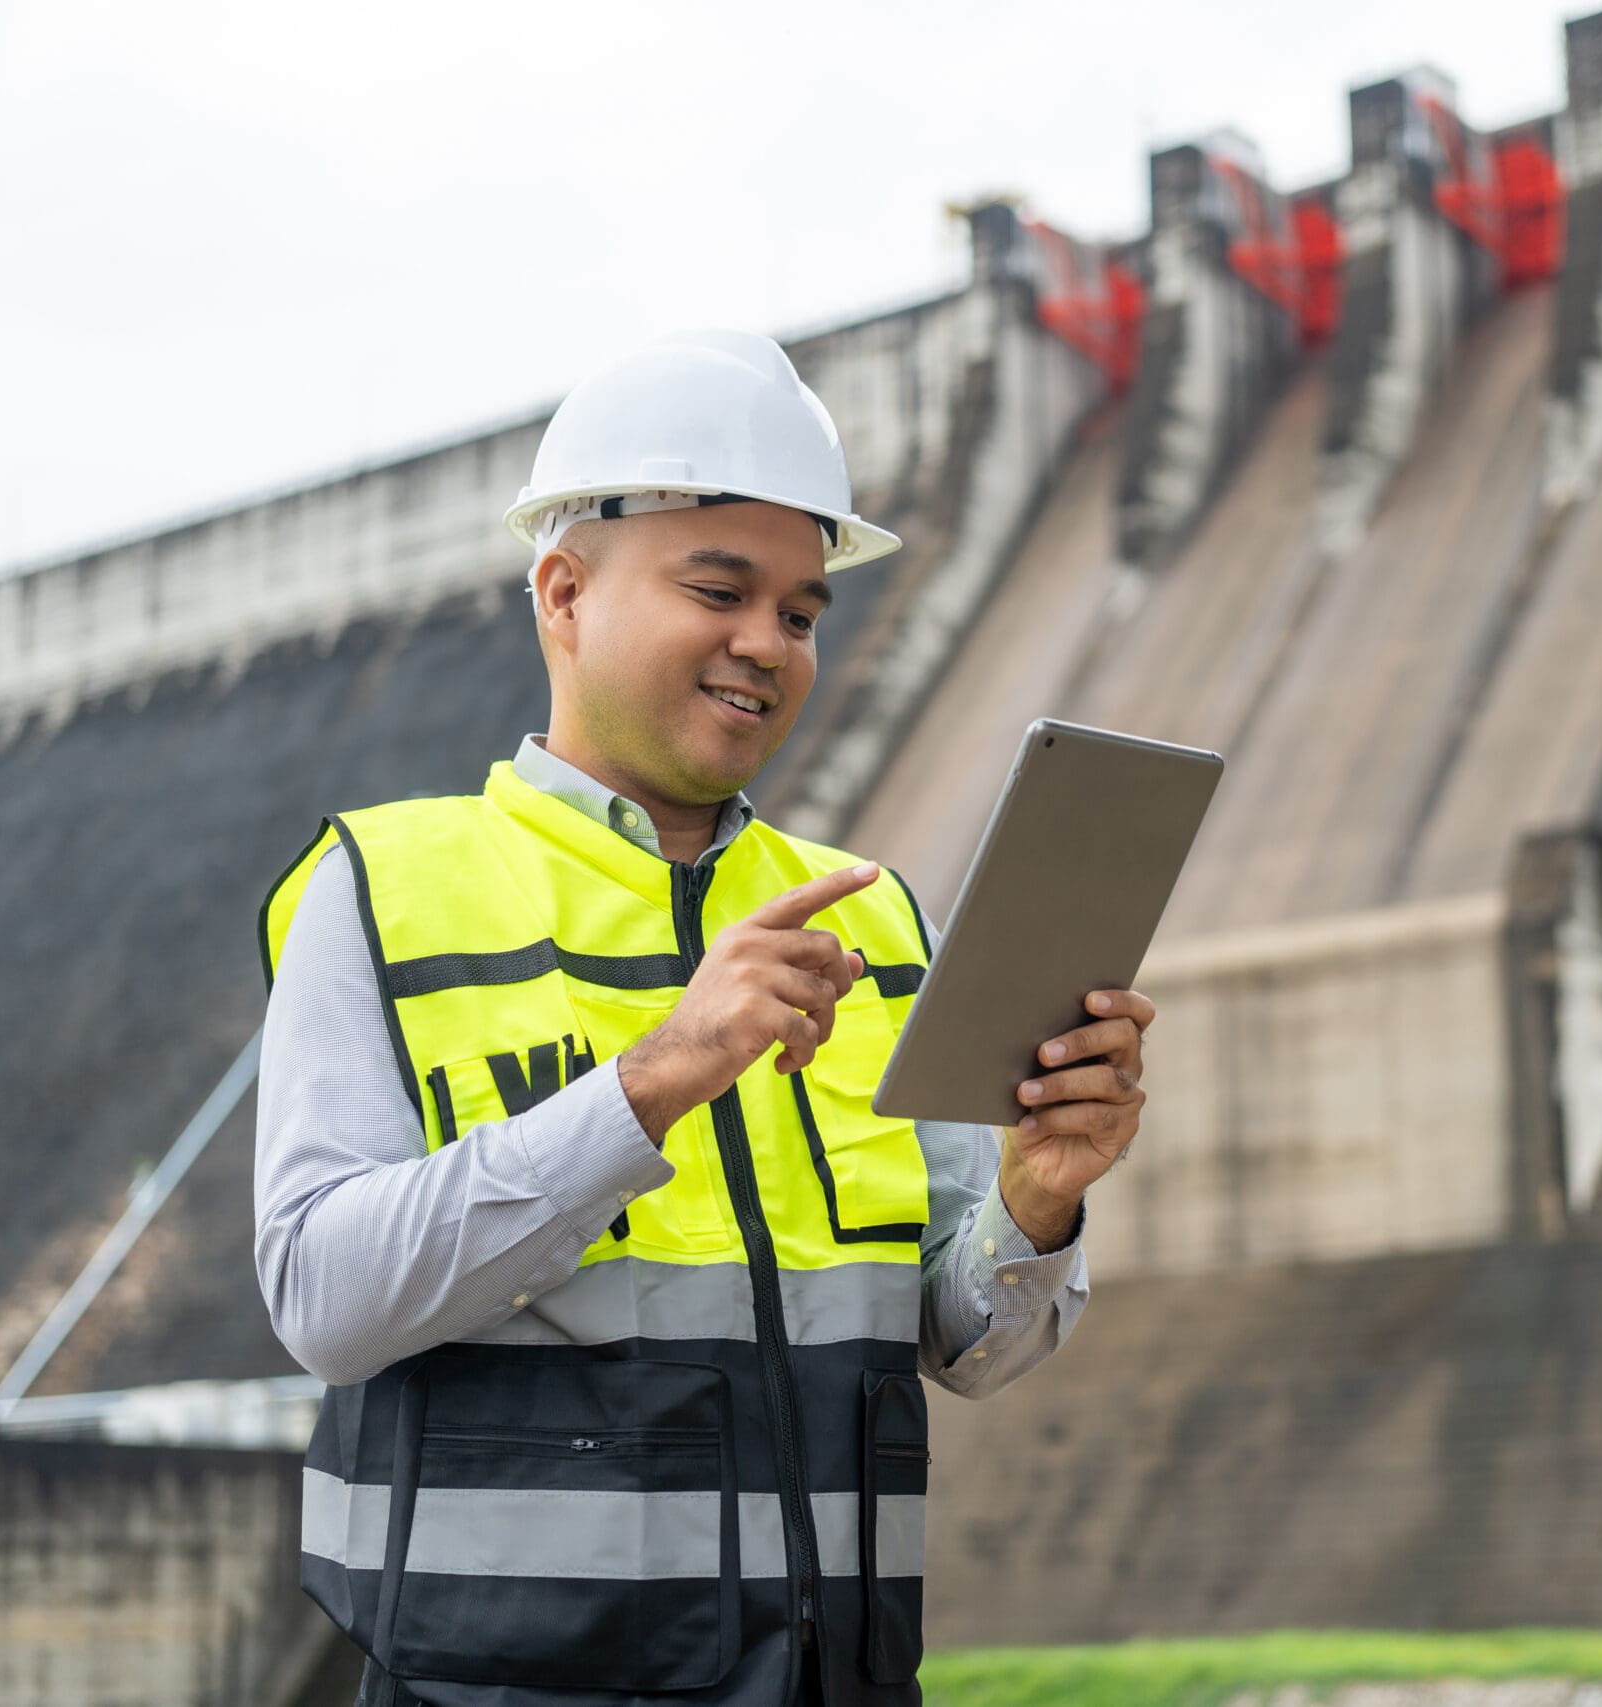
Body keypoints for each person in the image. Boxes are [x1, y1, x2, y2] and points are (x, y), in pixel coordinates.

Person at [251, 329, 1152, 1707]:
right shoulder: (387, 891)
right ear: (563, 592)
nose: (766, 645)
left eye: (799, 613)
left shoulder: (870, 922)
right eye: (719, 590)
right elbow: (323, 1297)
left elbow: (973, 1345)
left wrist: (1038, 1205)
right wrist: (659, 1077)